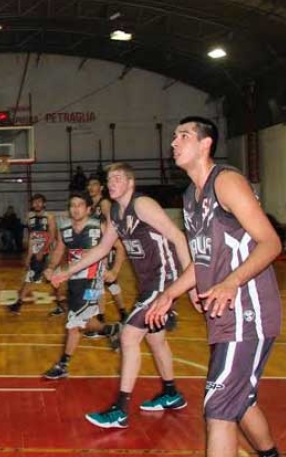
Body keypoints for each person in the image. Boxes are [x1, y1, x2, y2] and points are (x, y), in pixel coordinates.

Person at [145, 117, 286, 457]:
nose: (174, 142)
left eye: (183, 135)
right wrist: (171, 294)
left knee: (218, 410)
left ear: (206, 144)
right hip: (223, 317)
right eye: (174, 136)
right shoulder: (189, 197)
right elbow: (201, 263)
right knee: (241, 400)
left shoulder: (226, 182)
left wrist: (231, 281)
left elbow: (270, 242)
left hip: (248, 312)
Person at [50, 162, 190, 429]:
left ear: (130, 183)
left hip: (164, 279)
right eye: (109, 179)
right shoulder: (116, 212)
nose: (111, 182)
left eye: (117, 178)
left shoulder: (142, 205)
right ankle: (171, 392)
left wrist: (190, 282)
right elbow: (102, 248)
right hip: (148, 283)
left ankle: (120, 409)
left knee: (128, 336)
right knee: (156, 340)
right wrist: (67, 271)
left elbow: (177, 236)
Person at [42, 192, 122, 380]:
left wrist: (115, 270)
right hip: (74, 281)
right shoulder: (66, 229)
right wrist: (51, 268)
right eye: (72, 205)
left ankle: (63, 364)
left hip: (94, 281)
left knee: (74, 323)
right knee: (82, 322)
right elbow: (60, 250)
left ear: (88, 209)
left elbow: (120, 247)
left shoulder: (99, 227)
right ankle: (111, 329)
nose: (76, 208)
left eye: (80, 205)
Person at [85, 176, 129, 327]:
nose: (91, 187)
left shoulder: (103, 203)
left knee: (97, 282)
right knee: (110, 283)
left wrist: (108, 245)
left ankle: (100, 317)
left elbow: (112, 223)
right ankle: (123, 312)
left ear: (101, 188)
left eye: (94, 184)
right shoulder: (90, 205)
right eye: (89, 185)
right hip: (97, 247)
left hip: (105, 247)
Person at [7, 194, 60, 314]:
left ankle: (60, 305)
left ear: (44, 203)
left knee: (53, 280)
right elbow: (32, 237)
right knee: (30, 278)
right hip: (36, 252)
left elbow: (52, 236)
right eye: (34, 202)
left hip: (48, 253)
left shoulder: (50, 217)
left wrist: (43, 251)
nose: (37, 204)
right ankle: (17, 305)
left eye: (39, 202)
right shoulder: (30, 217)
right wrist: (29, 255)